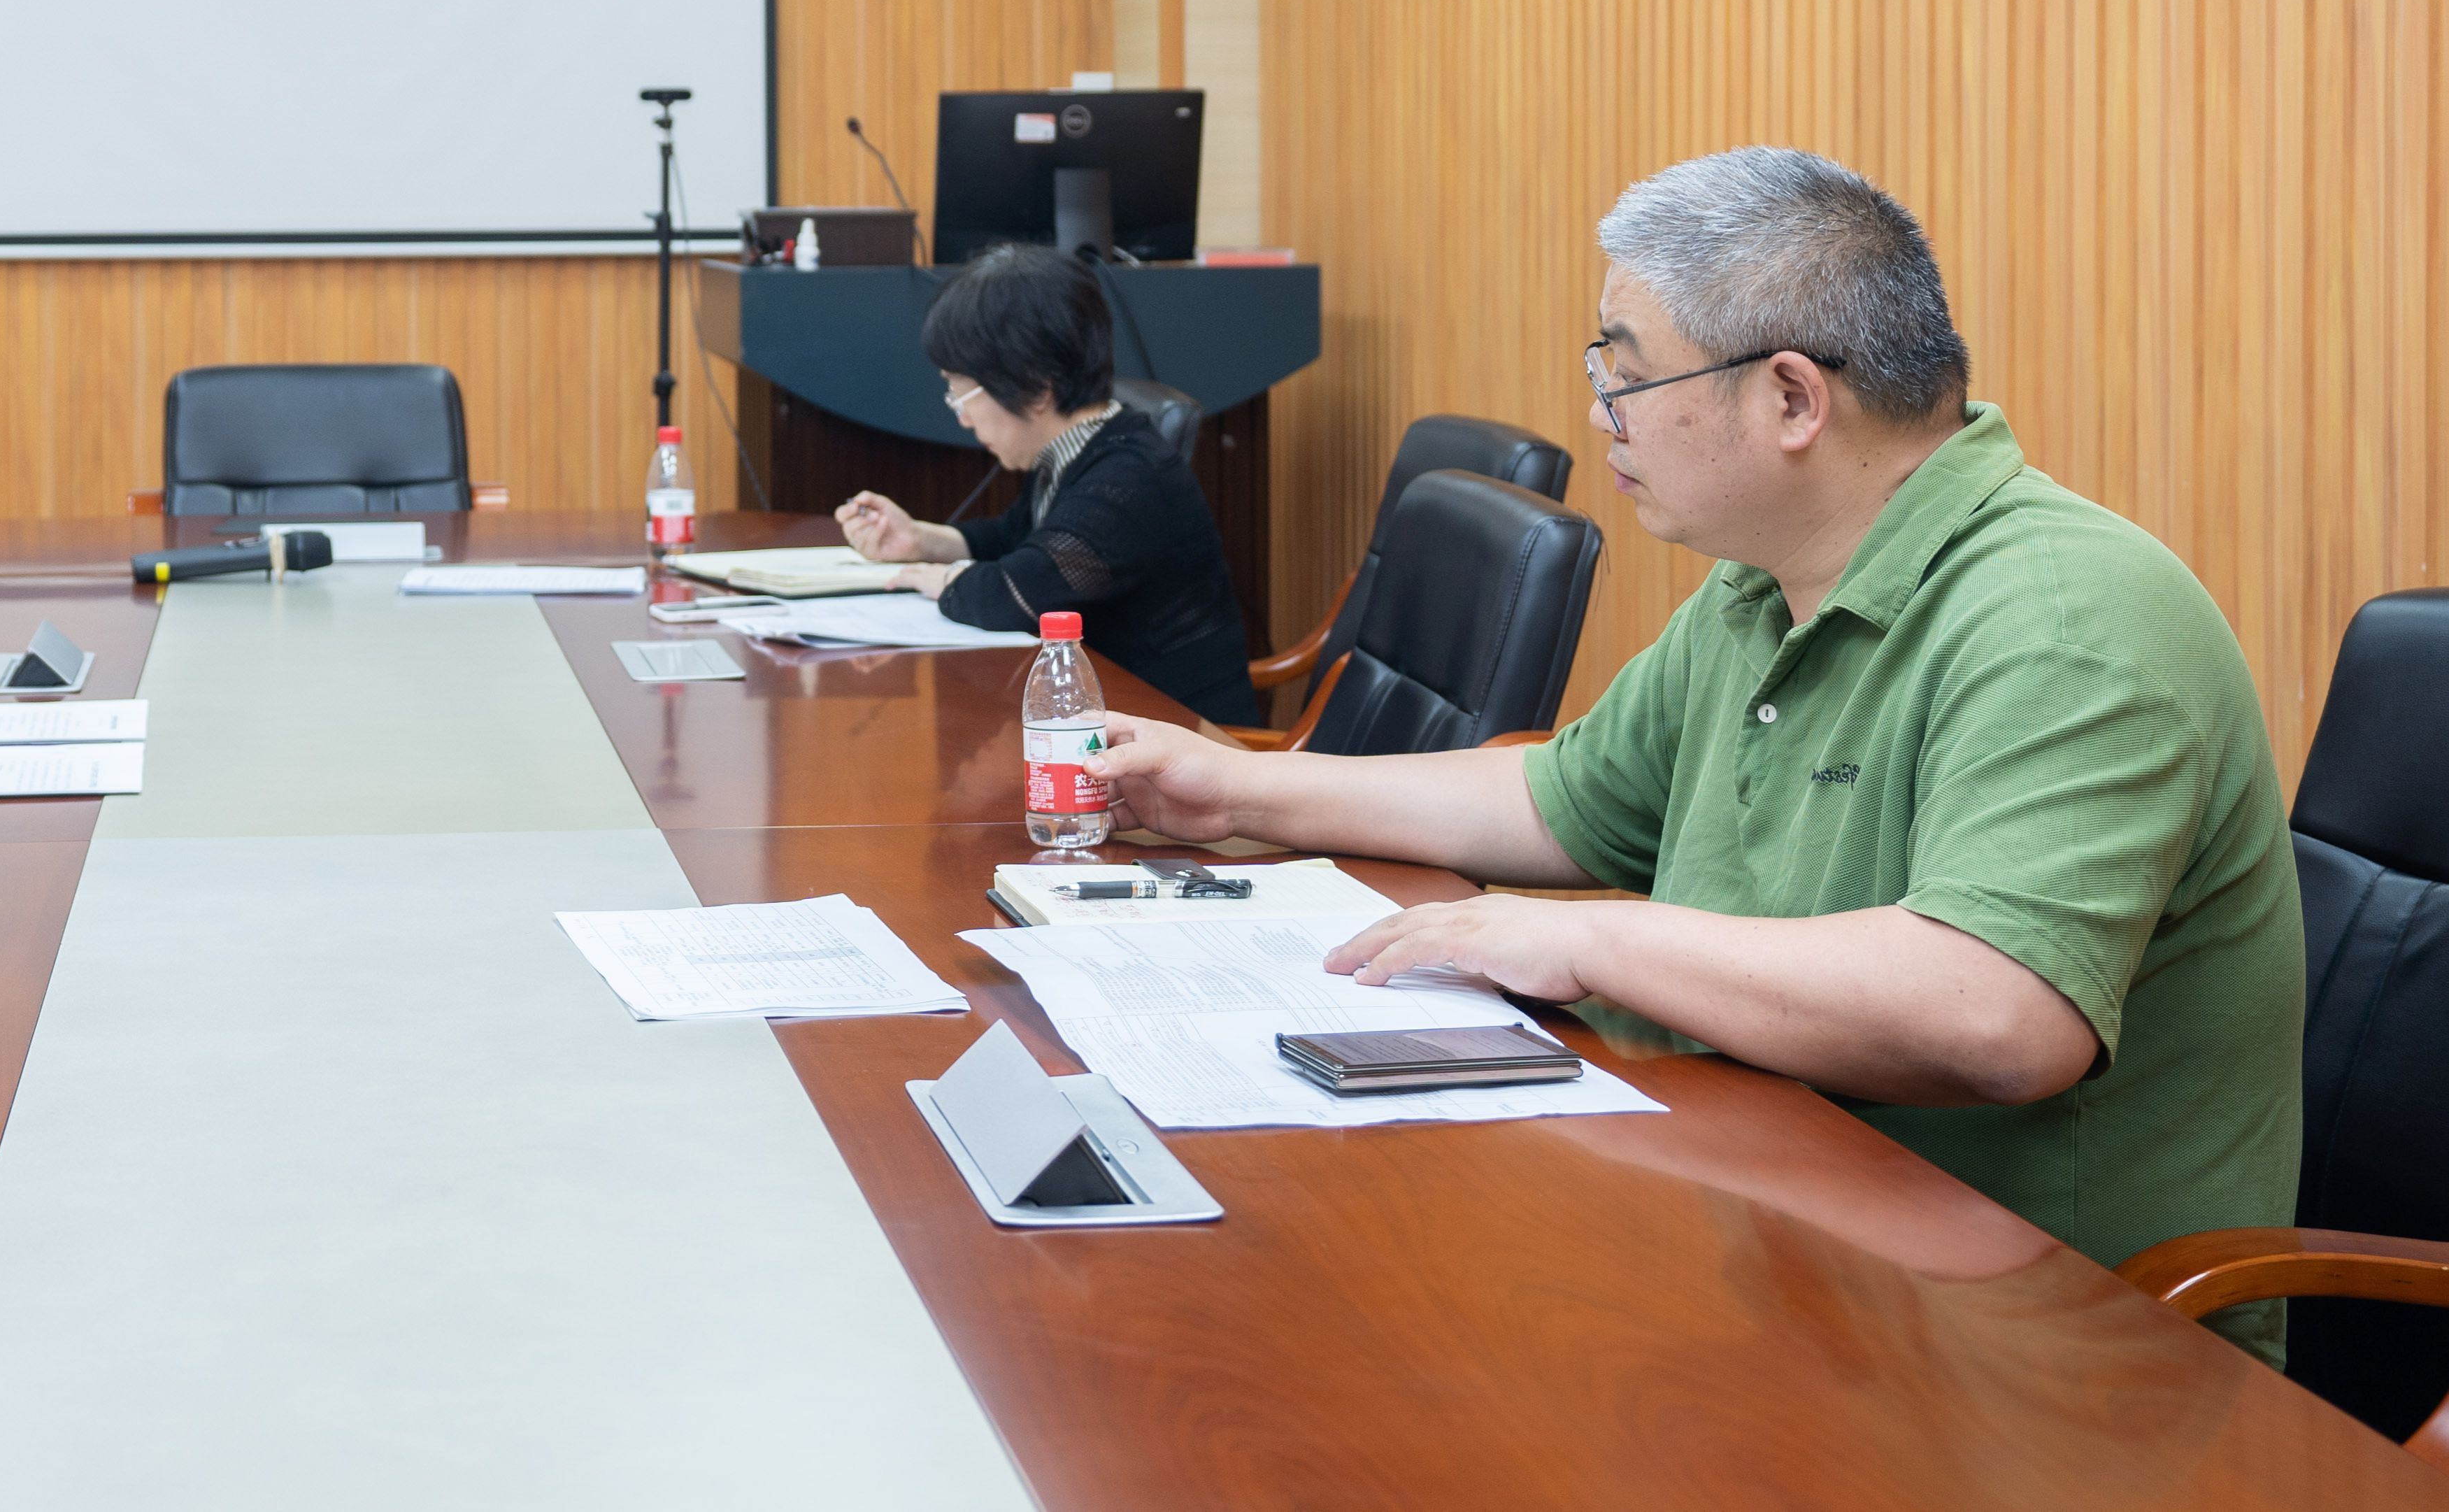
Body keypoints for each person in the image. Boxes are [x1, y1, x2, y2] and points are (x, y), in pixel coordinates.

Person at [1094, 148, 2301, 1352]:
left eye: (1624, 372)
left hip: (2034, 1346)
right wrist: (1241, 787)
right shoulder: (1763, 582)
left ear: (1790, 399)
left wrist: (1586, 938)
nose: (1598, 413)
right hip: (1768, 1230)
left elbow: (1994, 1013)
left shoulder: (2065, 619)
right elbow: (1559, 798)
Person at [834, 243, 1255, 724]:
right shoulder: (1077, 451)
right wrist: (919, 540)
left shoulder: (1129, 481)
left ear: (1034, 387)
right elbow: (1016, 539)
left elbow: (1014, 596)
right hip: (1115, 721)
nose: (963, 418)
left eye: (961, 393)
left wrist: (940, 579)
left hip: (1185, 735)